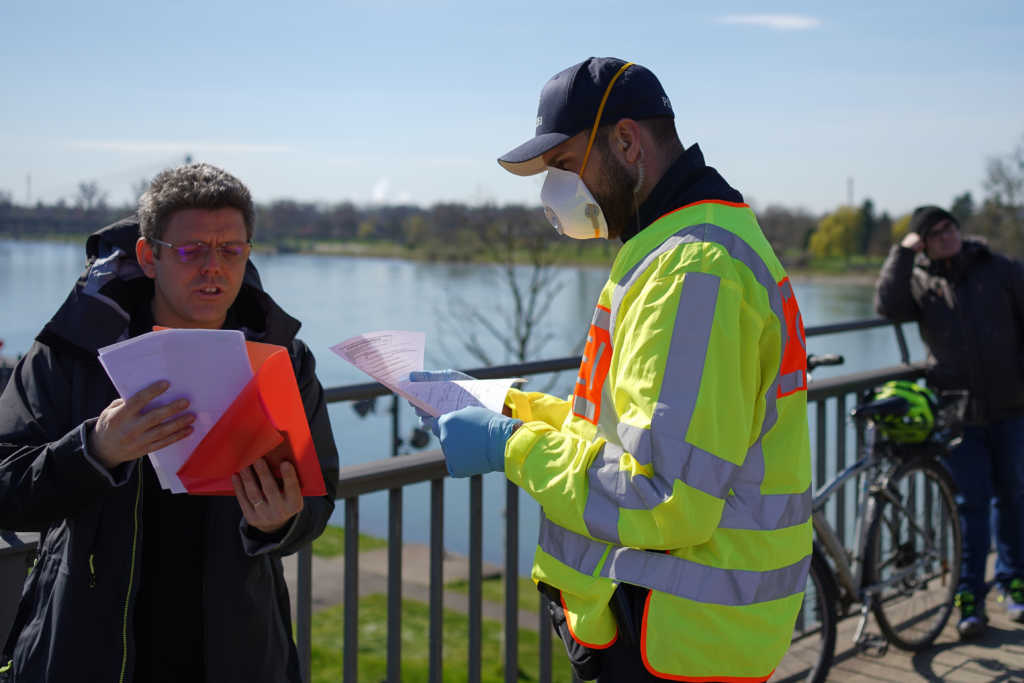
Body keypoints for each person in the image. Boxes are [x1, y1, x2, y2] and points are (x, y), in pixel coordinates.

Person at [417, 57, 813, 682]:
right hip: (673, 628)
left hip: (676, 639)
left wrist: (509, 448)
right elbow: (626, 427)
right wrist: (509, 406)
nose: (555, 191)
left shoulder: (693, 271)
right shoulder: (679, 247)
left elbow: (665, 499)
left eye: (565, 166)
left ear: (627, 142)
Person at [0, 163, 339, 682]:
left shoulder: (284, 360)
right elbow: (6, 485)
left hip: (237, 651)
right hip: (85, 649)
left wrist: (279, 521)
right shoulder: (71, 351)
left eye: (231, 249)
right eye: (191, 250)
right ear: (148, 256)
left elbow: (316, 502)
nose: (213, 267)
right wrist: (94, 450)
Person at [875, 205, 1024, 638]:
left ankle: (1014, 583)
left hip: (1012, 405)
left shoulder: (997, 268)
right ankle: (969, 598)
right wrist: (902, 254)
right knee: (970, 507)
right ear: (922, 242)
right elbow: (886, 305)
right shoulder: (920, 279)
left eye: (950, 228)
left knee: (1013, 497)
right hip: (959, 413)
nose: (947, 236)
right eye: (935, 233)